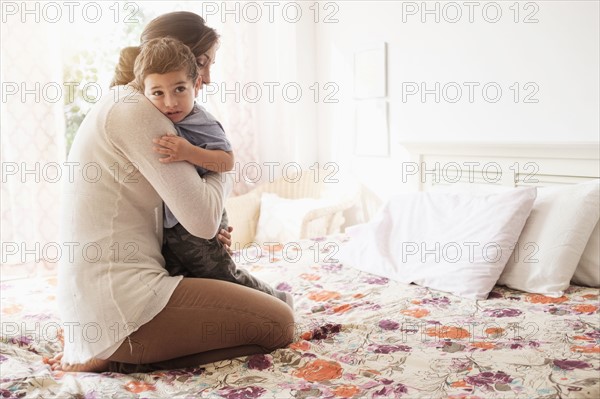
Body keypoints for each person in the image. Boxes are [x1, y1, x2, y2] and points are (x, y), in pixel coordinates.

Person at [50, 12, 295, 373]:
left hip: (103, 302)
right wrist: (223, 162)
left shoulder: (125, 102)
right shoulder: (138, 113)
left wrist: (207, 209)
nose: (207, 78)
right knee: (280, 323)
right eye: (202, 64)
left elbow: (185, 214)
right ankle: (117, 361)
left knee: (262, 304)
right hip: (121, 307)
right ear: (177, 59)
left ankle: (109, 350)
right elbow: (203, 221)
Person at [134, 37, 292, 306]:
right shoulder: (151, 117)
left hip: (198, 222)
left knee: (222, 274)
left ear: (195, 85)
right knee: (179, 280)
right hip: (172, 226)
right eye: (158, 93)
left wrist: (188, 152)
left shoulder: (201, 120)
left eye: (180, 89)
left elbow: (226, 161)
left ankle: (277, 301)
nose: (170, 102)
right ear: (143, 92)